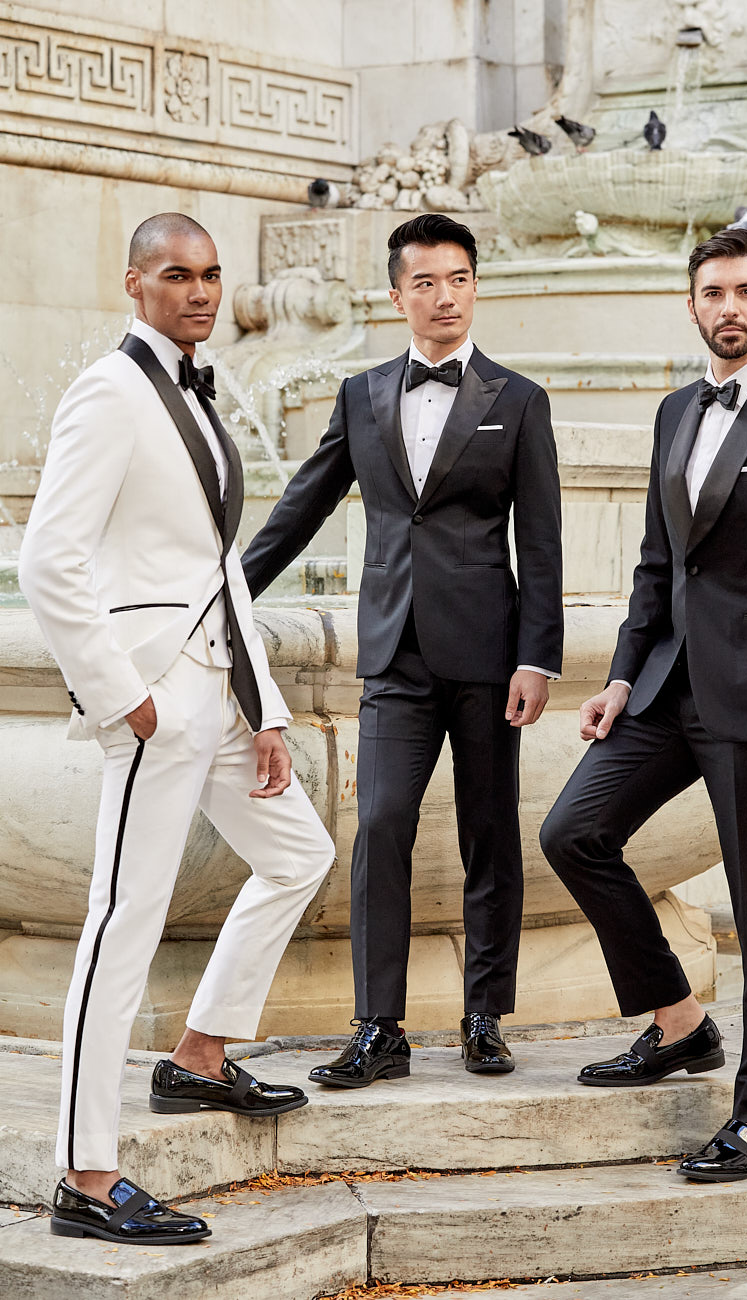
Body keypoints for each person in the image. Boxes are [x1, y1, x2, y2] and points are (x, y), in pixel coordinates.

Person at [19, 213, 335, 1245]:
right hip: (153, 699)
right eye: (175, 275)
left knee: (299, 850)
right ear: (133, 283)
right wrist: (120, 697)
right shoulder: (109, 392)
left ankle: (199, 1055)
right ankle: (87, 1169)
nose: (198, 292)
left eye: (209, 276)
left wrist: (268, 707)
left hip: (219, 694)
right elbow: (47, 562)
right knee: (122, 921)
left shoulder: (194, 393)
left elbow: (217, 573)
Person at [540, 227, 747, 1183]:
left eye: (745, 291)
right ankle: (680, 1023)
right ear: (692, 306)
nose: (728, 306)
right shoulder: (673, 412)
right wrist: (615, 677)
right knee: (572, 833)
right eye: (713, 292)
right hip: (663, 691)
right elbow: (659, 566)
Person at [243, 213, 563, 1086]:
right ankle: (378, 1028)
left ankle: (484, 1016)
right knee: (379, 826)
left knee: (489, 835)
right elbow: (301, 508)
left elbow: (540, 544)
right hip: (392, 656)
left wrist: (538, 657)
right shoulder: (362, 395)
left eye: (456, 278)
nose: (443, 296)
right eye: (424, 282)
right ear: (397, 296)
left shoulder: (519, 400)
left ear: (474, 286)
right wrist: (227, 594)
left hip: (490, 657)